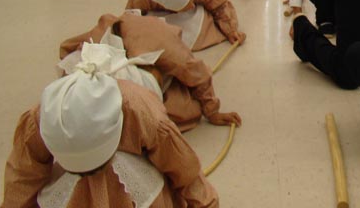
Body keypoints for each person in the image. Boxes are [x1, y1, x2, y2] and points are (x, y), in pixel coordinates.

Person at [0, 43, 235, 208]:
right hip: (74, 183)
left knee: (113, 174)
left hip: (128, 177)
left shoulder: (141, 111)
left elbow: (184, 168)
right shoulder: (39, 119)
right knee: (81, 187)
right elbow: (22, 177)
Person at [58, 11, 242, 132]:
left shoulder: (168, 50)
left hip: (152, 50)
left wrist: (212, 111)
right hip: (130, 49)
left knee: (187, 110)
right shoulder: (84, 63)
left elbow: (197, 73)